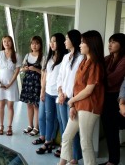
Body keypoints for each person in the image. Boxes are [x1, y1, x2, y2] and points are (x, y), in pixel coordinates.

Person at [58, 30, 105, 165]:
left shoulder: (95, 64)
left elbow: (89, 90)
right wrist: (73, 105)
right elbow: (76, 87)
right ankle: (63, 162)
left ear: (91, 44)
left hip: (89, 107)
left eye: (83, 42)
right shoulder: (84, 62)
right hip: (79, 105)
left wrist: (71, 101)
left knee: (85, 141)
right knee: (67, 136)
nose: (80, 45)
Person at [35, 33, 67, 154]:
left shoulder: (65, 57)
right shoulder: (49, 57)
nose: (52, 44)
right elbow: (45, 76)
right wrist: (42, 91)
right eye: (50, 41)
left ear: (60, 42)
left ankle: (63, 146)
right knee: (49, 118)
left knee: (60, 120)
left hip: (60, 94)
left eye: (54, 41)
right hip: (48, 92)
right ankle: (48, 142)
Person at [55, 29, 83, 162]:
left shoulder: (82, 58)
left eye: (67, 39)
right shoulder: (66, 57)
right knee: (65, 127)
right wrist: (60, 92)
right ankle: (67, 156)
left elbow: (77, 81)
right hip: (62, 97)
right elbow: (60, 77)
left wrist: (67, 94)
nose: (65, 41)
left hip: (73, 98)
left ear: (73, 40)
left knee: (72, 130)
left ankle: (75, 158)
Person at [100, 33, 125, 165]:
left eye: (114, 42)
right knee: (109, 130)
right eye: (109, 42)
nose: (110, 45)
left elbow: (113, 79)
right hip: (106, 97)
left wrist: (101, 77)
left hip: (117, 98)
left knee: (113, 130)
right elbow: (98, 72)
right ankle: (112, 160)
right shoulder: (107, 58)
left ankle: (113, 161)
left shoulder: (124, 60)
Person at [0, 35, 21, 136]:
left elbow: (17, 71)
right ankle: (1, 126)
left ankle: (9, 127)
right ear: (2, 43)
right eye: (4, 41)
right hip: (0, 84)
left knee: (10, 106)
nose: (6, 43)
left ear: (11, 42)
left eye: (8, 41)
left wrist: (10, 84)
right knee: (1, 105)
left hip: (11, 84)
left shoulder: (16, 55)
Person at [20, 36, 44, 136]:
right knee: (28, 105)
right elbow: (21, 69)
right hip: (27, 82)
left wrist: (35, 69)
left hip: (37, 83)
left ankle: (36, 127)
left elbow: (45, 72)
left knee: (36, 105)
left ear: (40, 45)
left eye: (37, 43)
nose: (34, 45)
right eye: (32, 43)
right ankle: (30, 126)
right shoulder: (27, 55)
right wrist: (24, 69)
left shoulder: (42, 56)